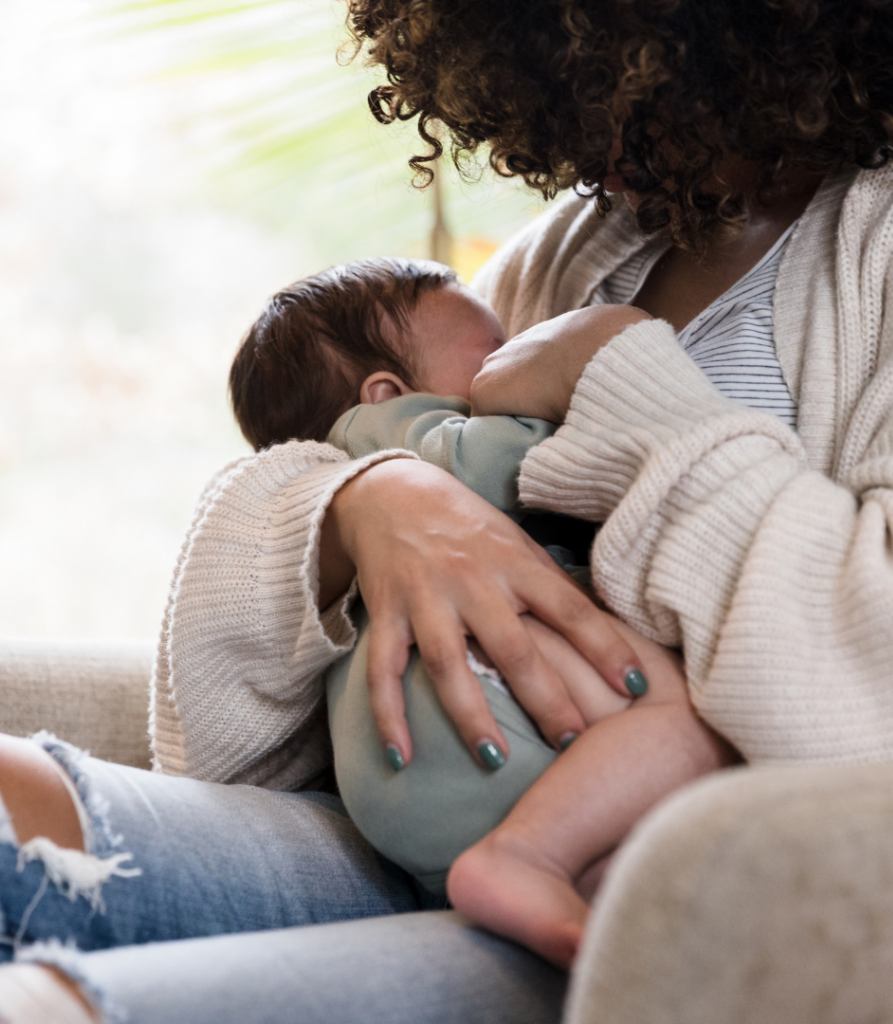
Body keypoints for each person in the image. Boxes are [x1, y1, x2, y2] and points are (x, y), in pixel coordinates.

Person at [0, 0, 893, 1020]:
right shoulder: (580, 249)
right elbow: (224, 733)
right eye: (577, 107)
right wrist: (367, 502)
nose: (593, 156)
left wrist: (619, 386)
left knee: (21, 1007)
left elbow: (867, 697)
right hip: (402, 842)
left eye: (634, 98)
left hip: (669, 896)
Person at [227, 255, 734, 963]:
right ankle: (524, 856)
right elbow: (526, 459)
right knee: (691, 719)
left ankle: (541, 878)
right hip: (468, 720)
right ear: (387, 392)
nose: (513, 360)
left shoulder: (356, 468)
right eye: (495, 353)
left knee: (618, 900)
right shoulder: (405, 438)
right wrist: (587, 373)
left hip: (399, 779)